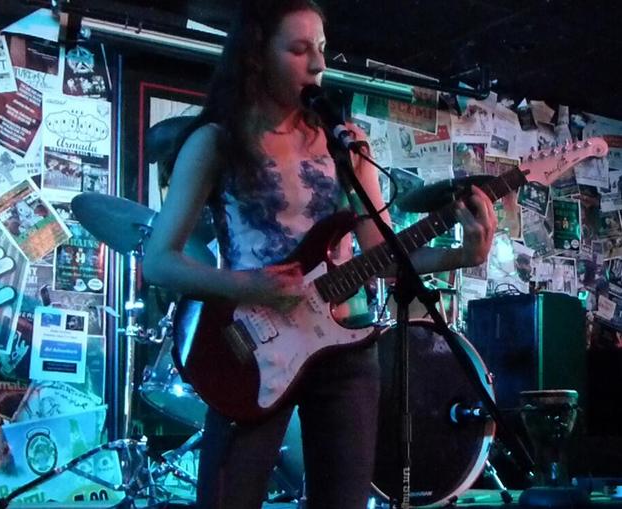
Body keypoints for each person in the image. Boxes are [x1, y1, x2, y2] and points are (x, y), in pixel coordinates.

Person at [142, 1, 497, 508]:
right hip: (255, 346)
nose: (317, 64)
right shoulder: (215, 142)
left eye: (322, 49)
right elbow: (158, 260)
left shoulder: (347, 147)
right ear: (257, 55)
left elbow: (383, 257)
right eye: (299, 49)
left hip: (345, 347)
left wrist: (461, 255)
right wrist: (249, 285)